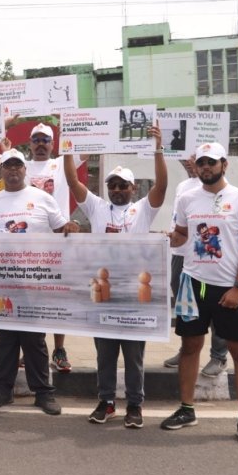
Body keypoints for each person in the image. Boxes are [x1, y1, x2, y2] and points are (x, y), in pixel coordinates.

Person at [63, 125, 166, 429]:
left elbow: (161, 184)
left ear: (134, 189)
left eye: (124, 185)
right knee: (105, 353)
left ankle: (135, 405)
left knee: (133, 355)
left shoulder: (143, 211)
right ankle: (106, 401)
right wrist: (68, 143)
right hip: (102, 294)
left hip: (135, 295)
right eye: (113, 185)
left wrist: (158, 149)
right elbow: (71, 180)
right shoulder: (96, 208)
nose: (118, 190)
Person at [162, 142, 238, 448]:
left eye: (212, 162)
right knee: (190, 347)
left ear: (224, 165)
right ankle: (187, 409)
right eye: (202, 162)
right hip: (193, 284)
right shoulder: (187, 198)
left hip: (227, 288)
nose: (206, 167)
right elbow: (182, 234)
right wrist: (168, 239)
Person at [0, 148, 78, 415]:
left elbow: (61, 228)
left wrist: (70, 227)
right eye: (8, 166)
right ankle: (2, 391)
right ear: (1, 170)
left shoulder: (43, 198)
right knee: (5, 340)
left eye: (18, 165)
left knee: (34, 340)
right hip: (3, 283)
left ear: (25, 170)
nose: (13, 170)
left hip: (35, 283)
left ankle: (43, 393)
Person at [0, 122, 86, 372]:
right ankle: (19, 360)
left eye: (45, 140)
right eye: (36, 140)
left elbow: (88, 151)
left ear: (53, 143)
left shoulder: (61, 164)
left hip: (52, 246)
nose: (40, 144)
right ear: (29, 144)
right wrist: (2, 125)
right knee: (18, 319)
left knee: (54, 304)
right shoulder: (16, 165)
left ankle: (58, 349)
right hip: (15, 261)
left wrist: (71, 122)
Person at [164, 156, 229, 377]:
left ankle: (219, 356)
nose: (190, 163)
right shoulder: (183, 186)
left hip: (206, 259)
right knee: (186, 309)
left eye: (195, 159)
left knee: (215, 308)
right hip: (181, 255)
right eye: (187, 160)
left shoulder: (216, 187)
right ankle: (186, 350)